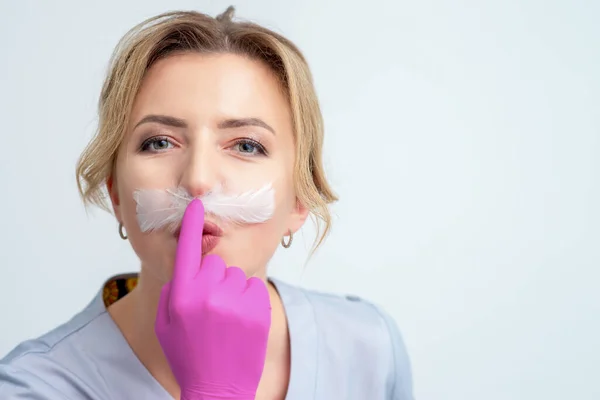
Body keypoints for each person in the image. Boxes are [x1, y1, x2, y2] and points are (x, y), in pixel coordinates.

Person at [0, 6, 413, 400]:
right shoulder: (32, 387)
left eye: (246, 145)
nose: (197, 179)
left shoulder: (371, 350)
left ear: (300, 202)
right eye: (159, 142)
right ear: (116, 195)